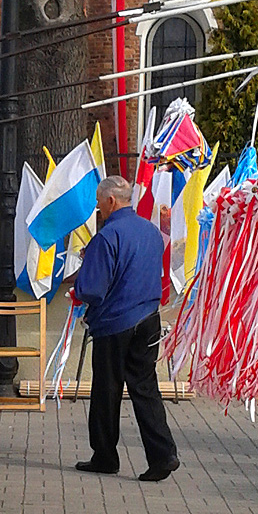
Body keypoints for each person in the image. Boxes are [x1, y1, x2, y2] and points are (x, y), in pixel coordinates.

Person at [71, 175, 180, 483]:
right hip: (149, 318)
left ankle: (105, 457)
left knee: (107, 391)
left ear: (111, 201)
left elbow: (92, 289)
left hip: (115, 322)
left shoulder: (107, 237)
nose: (97, 208)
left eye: (98, 202)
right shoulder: (151, 232)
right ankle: (164, 454)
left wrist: (84, 268)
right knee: (145, 388)